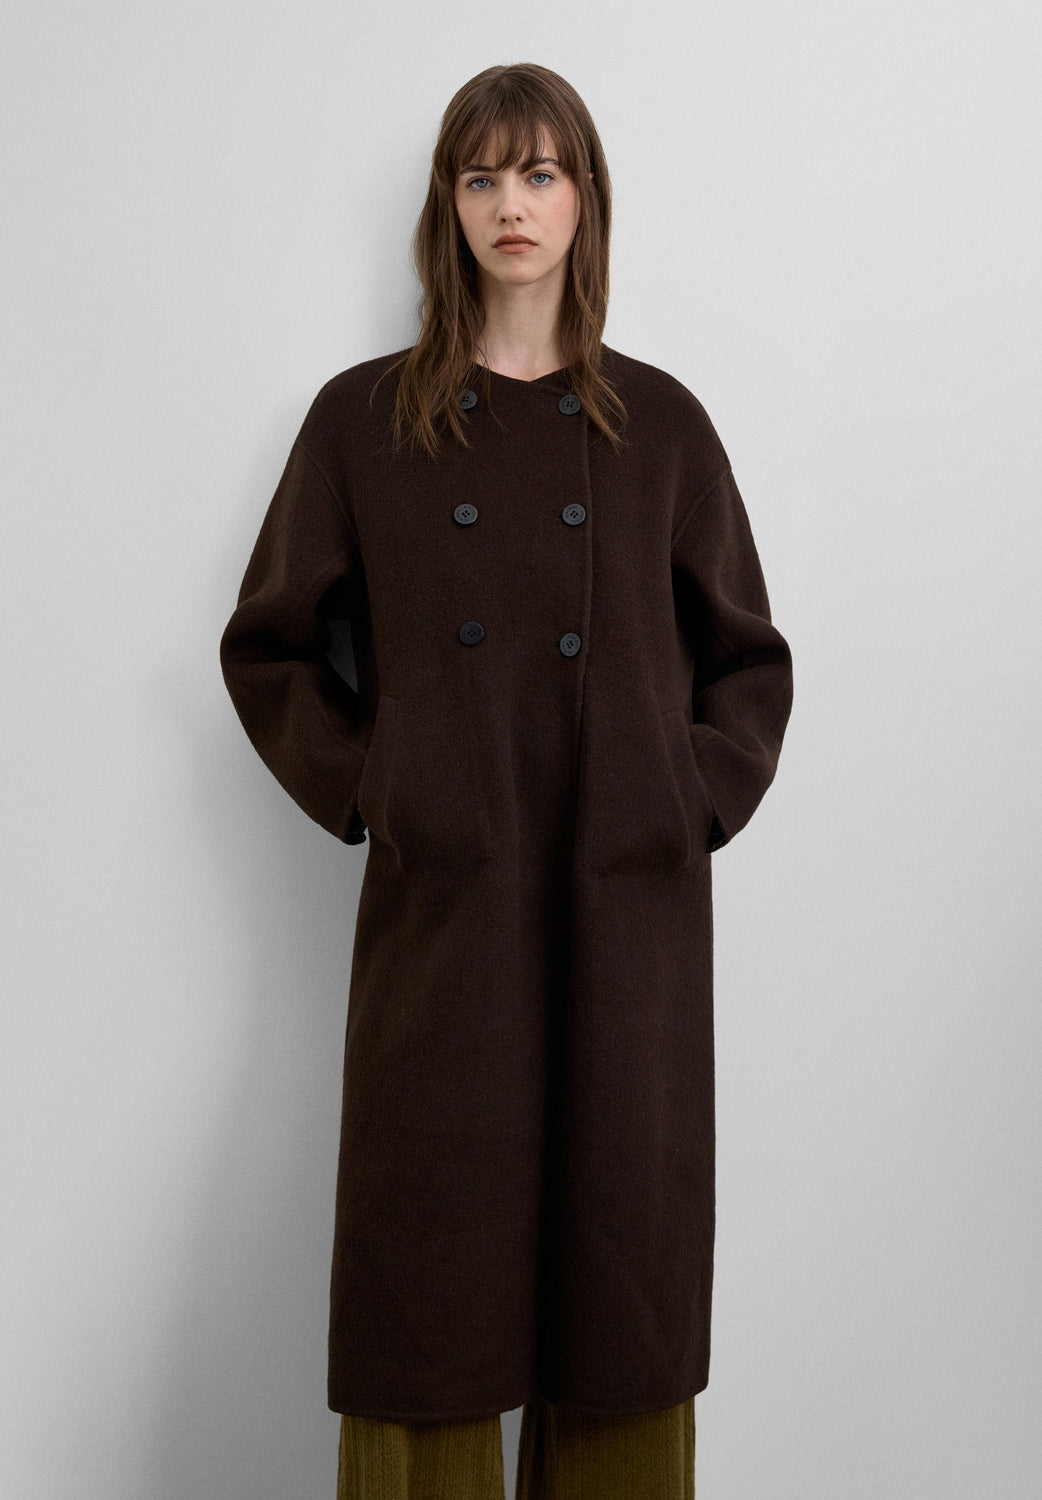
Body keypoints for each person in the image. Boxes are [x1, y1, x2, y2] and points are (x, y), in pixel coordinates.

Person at [219, 61, 794, 1500]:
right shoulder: (364, 422)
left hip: (625, 911)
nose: (511, 204)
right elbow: (268, 646)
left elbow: (749, 661)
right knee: (429, 1265)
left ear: (584, 199)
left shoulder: (658, 424)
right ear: (448, 206)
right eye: (481, 177)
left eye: (539, 173)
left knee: (620, 1268)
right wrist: (382, 786)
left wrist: (680, 800)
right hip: (449, 909)